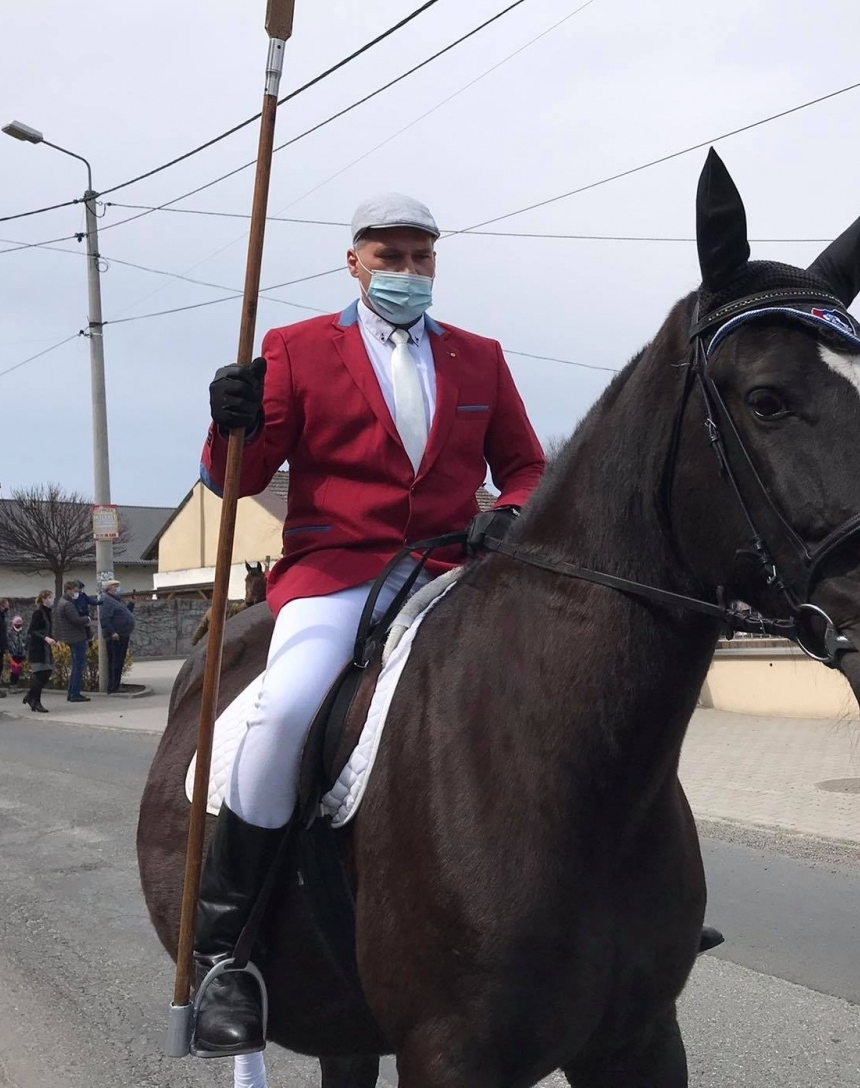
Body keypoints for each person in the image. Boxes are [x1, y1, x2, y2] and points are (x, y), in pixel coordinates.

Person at [187, 191, 546, 1055]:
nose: (408, 273)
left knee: (557, 690)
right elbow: (234, 479)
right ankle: (224, 950)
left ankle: (623, 895)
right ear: (354, 262)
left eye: (422, 258)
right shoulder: (297, 349)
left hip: (449, 570)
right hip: (336, 570)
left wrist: (513, 511)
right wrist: (228, 422)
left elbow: (526, 465)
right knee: (287, 707)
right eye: (391, 257)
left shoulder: (481, 357)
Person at [52, 582, 93, 702]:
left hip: (69, 636)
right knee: (78, 666)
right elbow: (75, 620)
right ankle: (75, 693)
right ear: (68, 590)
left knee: (76, 665)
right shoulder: (68, 604)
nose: (77, 593)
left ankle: (71, 692)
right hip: (76, 637)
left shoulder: (61, 602)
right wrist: (87, 619)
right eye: (75, 590)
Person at [98, 581, 135, 695]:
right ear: (109, 588)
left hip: (122, 634)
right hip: (116, 636)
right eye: (115, 586)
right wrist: (112, 632)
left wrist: (131, 604)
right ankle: (113, 686)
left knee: (119, 661)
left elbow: (124, 613)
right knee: (115, 661)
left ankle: (116, 685)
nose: (118, 588)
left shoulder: (116, 601)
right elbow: (104, 619)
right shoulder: (107, 601)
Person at [24, 589, 57, 713]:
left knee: (46, 673)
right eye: (49, 597)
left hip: (46, 648)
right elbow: (32, 631)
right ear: (43, 599)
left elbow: (48, 629)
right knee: (41, 674)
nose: (51, 600)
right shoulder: (38, 613)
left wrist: (54, 640)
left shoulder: (48, 613)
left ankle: (30, 696)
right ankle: (36, 701)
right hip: (38, 648)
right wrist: (46, 638)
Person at [7, 614, 28, 689]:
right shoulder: (10, 633)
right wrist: (13, 651)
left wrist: (25, 650)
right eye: (17, 622)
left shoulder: (24, 632)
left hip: (23, 654)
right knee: (14, 670)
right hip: (13, 655)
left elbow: (27, 642)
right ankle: (13, 685)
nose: (18, 624)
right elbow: (9, 643)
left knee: (19, 670)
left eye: (20, 622)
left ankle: (18, 684)